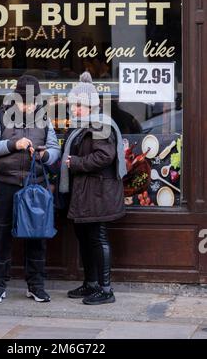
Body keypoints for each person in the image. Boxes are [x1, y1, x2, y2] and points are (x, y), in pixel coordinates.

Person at [0, 75, 60, 303]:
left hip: (35, 185)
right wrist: (13, 144)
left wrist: (45, 155)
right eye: (24, 102)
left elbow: (55, 148)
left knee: (36, 236)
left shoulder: (44, 118)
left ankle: (36, 285)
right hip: (5, 183)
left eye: (32, 102)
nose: (28, 106)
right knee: (2, 234)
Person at [59, 72, 127, 305]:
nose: (75, 109)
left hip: (99, 192)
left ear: (91, 106)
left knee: (98, 238)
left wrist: (75, 163)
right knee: (86, 237)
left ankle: (106, 289)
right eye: (73, 104)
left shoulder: (100, 124)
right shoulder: (81, 126)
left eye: (80, 105)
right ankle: (91, 283)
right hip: (86, 193)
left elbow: (104, 156)